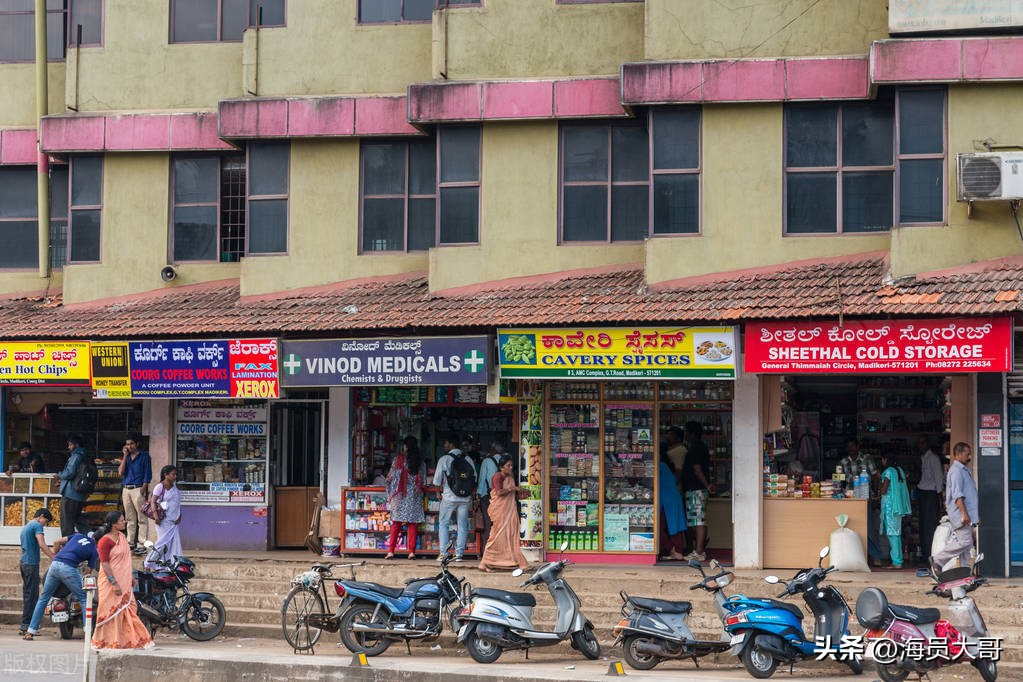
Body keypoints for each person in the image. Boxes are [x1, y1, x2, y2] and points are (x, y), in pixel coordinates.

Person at [91, 511, 154, 650]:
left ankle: (126, 640)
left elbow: (126, 560)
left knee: (130, 608)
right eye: (121, 520)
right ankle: (107, 641)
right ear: (114, 524)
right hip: (110, 582)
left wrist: (130, 576)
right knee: (110, 611)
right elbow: (105, 564)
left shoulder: (123, 537)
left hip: (124, 581)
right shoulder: (105, 541)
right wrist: (114, 583)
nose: (124, 522)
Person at [24, 529, 99, 640]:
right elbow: (88, 572)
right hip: (69, 569)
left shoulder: (77, 536)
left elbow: (56, 542)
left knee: (44, 598)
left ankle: (30, 631)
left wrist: (56, 555)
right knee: (84, 598)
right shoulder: (94, 550)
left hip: (54, 565)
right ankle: (87, 631)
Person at [931, 442, 979, 576]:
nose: (969, 457)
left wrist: (975, 515)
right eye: (966, 454)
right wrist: (964, 514)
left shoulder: (963, 470)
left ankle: (965, 574)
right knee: (965, 542)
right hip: (961, 514)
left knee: (966, 547)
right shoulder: (956, 471)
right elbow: (958, 496)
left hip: (967, 514)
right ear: (958, 454)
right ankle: (938, 560)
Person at [478, 455, 528, 572]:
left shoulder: (510, 476)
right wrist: (513, 489)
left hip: (509, 510)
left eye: (511, 465)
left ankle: (515, 562)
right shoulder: (497, 476)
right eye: (508, 466)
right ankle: (484, 562)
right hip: (500, 511)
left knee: (511, 535)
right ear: (501, 467)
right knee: (496, 536)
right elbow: (499, 492)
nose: (510, 468)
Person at [432, 434, 475, 562]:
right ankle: (459, 554)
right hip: (465, 498)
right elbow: (474, 478)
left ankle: (444, 553)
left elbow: (437, 481)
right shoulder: (468, 459)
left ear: (451, 444)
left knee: (444, 524)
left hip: (449, 497)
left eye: (445, 443)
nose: (444, 446)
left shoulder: (444, 459)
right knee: (462, 525)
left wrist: (438, 494)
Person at [384, 436, 425, 560]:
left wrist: (389, 494)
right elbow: (422, 480)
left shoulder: (398, 460)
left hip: (400, 496)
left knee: (396, 524)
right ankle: (411, 552)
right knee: (412, 524)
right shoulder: (420, 462)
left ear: (406, 446)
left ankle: (391, 551)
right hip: (414, 497)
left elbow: (390, 478)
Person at [19, 508, 56, 635]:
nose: (45, 524)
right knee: (32, 595)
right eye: (46, 521)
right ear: (41, 516)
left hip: (24, 563)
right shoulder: (36, 525)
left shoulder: (26, 526)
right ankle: (27, 626)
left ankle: (25, 625)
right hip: (30, 563)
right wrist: (53, 557)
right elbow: (42, 544)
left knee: (28, 594)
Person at [681, 421, 713, 562]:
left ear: (692, 433)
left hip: (697, 489)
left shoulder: (696, 448)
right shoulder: (699, 447)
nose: (685, 435)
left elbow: (697, 469)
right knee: (696, 519)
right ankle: (698, 549)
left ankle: (699, 551)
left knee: (699, 520)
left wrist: (706, 485)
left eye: (686, 431)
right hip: (695, 489)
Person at [118, 432, 153, 556]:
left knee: (142, 518)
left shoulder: (144, 456)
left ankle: (141, 544)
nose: (129, 446)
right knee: (129, 518)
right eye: (127, 444)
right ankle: (130, 543)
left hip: (138, 488)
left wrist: (144, 488)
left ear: (137, 444)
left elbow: (147, 474)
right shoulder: (126, 457)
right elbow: (120, 472)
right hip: (126, 488)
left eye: (131, 443)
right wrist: (124, 456)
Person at [145, 465, 183, 570]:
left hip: (173, 522)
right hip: (163, 521)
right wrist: (156, 516)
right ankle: (148, 563)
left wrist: (179, 515)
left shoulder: (174, 487)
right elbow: (153, 501)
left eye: (176, 474)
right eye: (173, 474)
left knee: (171, 545)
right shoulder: (160, 487)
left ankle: (167, 565)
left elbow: (177, 503)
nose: (175, 476)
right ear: (166, 475)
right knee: (162, 544)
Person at [879, 453, 911, 569]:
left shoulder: (888, 472)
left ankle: (897, 562)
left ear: (886, 459)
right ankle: (897, 560)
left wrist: (879, 480)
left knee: (893, 535)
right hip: (898, 507)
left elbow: (883, 490)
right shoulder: (899, 471)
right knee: (896, 534)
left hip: (890, 507)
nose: (882, 461)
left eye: (882, 459)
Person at [57, 434, 91, 537]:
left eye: (70, 445)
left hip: (71, 493)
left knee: (66, 521)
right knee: (77, 519)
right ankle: (91, 536)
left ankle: (68, 545)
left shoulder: (76, 456)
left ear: (76, 445)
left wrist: (60, 475)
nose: (69, 447)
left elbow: (69, 473)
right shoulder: (85, 455)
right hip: (79, 494)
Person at [916, 435, 944, 560]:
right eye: (919, 443)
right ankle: (925, 551)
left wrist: (940, 498)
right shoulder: (923, 458)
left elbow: (939, 478)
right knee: (923, 524)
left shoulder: (934, 458)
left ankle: (930, 553)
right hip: (923, 493)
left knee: (930, 524)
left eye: (922, 443)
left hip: (931, 494)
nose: (920, 445)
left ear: (927, 444)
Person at [476, 441, 504, 550]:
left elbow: (482, 479)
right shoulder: (505, 462)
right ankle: (500, 548)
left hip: (488, 496)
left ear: (493, 450)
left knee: (488, 522)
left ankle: (487, 549)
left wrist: (479, 494)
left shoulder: (487, 461)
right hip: (503, 496)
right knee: (500, 522)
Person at [657, 460, 687, 562]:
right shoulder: (665, 467)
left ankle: (674, 551)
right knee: (675, 526)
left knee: (658, 527)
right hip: (672, 498)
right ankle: (676, 551)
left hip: (665, 500)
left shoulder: (658, 466)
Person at [663, 427, 687, 494]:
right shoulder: (672, 450)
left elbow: (679, 471)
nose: (667, 437)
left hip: (675, 488)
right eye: (667, 434)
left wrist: (671, 486)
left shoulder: (679, 451)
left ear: (679, 438)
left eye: (671, 435)